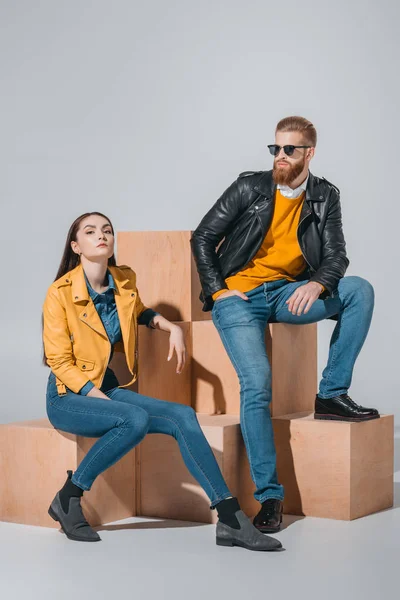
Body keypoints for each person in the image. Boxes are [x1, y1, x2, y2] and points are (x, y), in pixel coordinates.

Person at [42, 211, 281, 551]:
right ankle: (69, 496)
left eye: (107, 230)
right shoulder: (59, 294)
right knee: (134, 418)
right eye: (91, 231)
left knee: (181, 415)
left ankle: (229, 518)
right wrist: (97, 396)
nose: (102, 235)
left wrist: (169, 326)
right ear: (75, 245)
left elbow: (136, 309)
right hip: (67, 395)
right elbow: (59, 361)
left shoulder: (123, 280)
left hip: (106, 386)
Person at [190, 115, 378, 535]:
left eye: (289, 149)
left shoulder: (325, 196)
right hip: (239, 298)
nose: (280, 156)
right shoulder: (249, 187)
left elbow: (337, 255)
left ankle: (331, 394)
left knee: (359, 290)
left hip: (285, 294)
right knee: (256, 385)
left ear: (309, 153)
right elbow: (202, 236)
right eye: (275, 148)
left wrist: (317, 283)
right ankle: (270, 496)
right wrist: (218, 290)